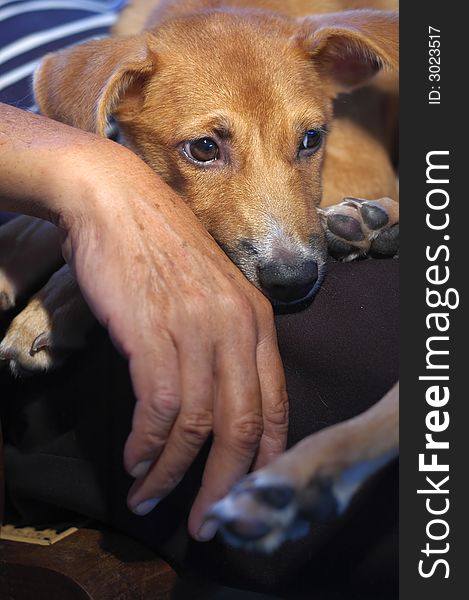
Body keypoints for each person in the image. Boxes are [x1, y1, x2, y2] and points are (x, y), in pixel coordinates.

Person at [0, 2, 398, 596]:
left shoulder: (277, 50)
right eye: (208, 150)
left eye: (307, 138)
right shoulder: (124, 68)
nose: (285, 250)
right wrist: (90, 183)